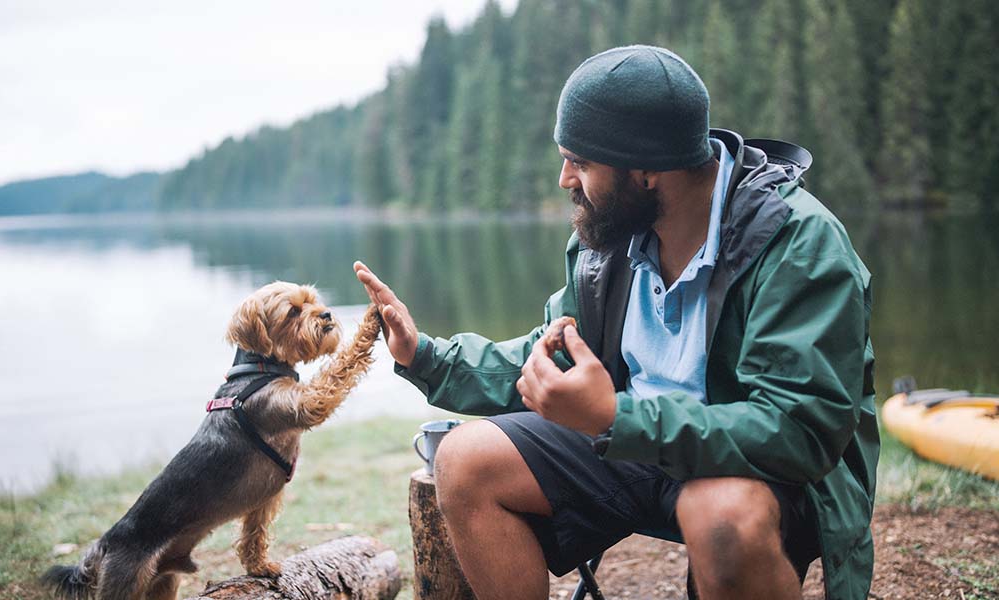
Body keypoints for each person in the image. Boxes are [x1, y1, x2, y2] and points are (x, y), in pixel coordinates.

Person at [355, 45, 877, 600]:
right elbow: (550, 353)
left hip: (754, 470)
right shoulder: (607, 238)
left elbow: (798, 431)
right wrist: (426, 356)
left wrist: (615, 416)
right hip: (631, 444)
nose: (564, 180)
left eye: (580, 162)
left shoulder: (796, 243)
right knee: (465, 460)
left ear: (647, 169)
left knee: (718, 515)